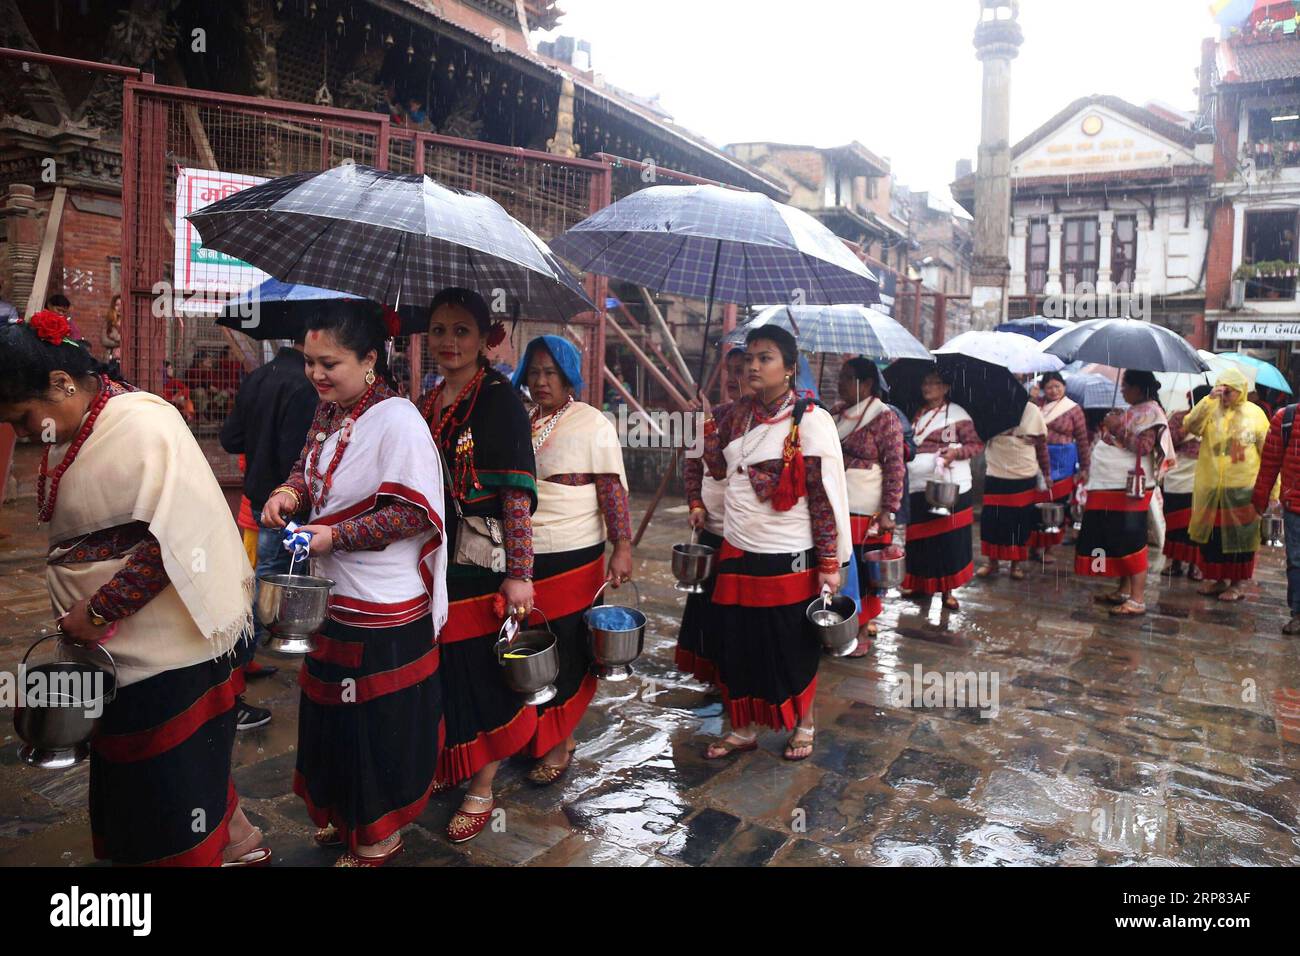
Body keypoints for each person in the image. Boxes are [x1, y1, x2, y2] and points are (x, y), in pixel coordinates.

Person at [0, 311, 268, 866]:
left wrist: (98, 611)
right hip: (116, 652)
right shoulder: (84, 426)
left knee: (168, 786)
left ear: (61, 384)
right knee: (176, 773)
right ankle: (237, 838)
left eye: (25, 420)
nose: (26, 435)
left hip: (167, 653)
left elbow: (174, 542)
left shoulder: (144, 425)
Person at [261, 302, 446, 866]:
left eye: (328, 363)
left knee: (374, 725)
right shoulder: (330, 411)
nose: (315, 374)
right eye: (308, 361)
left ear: (370, 361)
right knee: (330, 715)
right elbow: (306, 468)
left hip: (383, 607)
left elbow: (411, 515)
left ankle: (379, 830)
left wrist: (331, 537)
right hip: (332, 595)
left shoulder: (398, 422)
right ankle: (345, 810)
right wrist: (288, 495)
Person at [418, 287, 538, 844]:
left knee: (479, 667)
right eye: (439, 329)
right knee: (443, 668)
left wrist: (520, 574)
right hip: (433, 559)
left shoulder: (500, 401)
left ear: (485, 337)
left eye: (461, 330)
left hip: (482, 561)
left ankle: (482, 783)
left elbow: (515, 496)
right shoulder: (429, 399)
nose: (448, 341)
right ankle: (453, 756)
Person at [699, 326, 852, 763]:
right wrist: (703, 423)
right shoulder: (732, 415)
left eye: (765, 358)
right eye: (749, 357)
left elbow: (822, 497)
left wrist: (828, 561)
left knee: (789, 642)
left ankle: (803, 722)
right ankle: (743, 727)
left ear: (788, 369)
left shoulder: (810, 419)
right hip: (738, 545)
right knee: (738, 642)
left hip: (790, 552)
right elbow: (716, 468)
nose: (752, 365)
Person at [513, 334, 632, 783]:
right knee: (529, 645)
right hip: (524, 552)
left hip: (575, 551)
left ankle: (559, 741)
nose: (541, 381)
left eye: (551, 372)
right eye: (535, 371)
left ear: (569, 376)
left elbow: (611, 490)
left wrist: (621, 546)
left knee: (566, 644)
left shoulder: (592, 423)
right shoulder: (520, 419)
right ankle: (532, 734)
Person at [220, 332, 319, 727]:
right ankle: (243, 662)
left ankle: (249, 655)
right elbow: (298, 454)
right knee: (274, 580)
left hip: (258, 496)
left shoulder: (259, 376)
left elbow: (230, 438)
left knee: (258, 576)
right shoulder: (304, 386)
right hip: (287, 501)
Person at [1075, 369, 1175, 617]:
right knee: (1114, 535)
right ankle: (1122, 589)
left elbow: (1142, 447)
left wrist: (1118, 428)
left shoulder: (1151, 413)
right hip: (1110, 484)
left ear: (1139, 388)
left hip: (1128, 487)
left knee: (1131, 537)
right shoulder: (1134, 410)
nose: (1122, 391)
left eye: (1125, 386)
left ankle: (1137, 599)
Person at [680, 346, 751, 682]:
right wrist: (695, 503)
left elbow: (721, 470)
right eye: (730, 370)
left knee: (734, 608)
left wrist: (706, 421)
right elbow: (694, 463)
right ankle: (709, 671)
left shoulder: (757, 422)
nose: (734, 378)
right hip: (711, 524)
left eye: (742, 369)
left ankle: (733, 675)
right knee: (706, 603)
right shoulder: (718, 413)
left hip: (745, 532)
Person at [832, 357, 905, 652]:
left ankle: (861, 630)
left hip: (866, 508)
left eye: (848, 378)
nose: (840, 384)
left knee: (862, 573)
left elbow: (895, 466)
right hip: (835, 504)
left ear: (868, 384)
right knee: (838, 568)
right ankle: (836, 625)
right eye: (841, 377)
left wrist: (889, 510)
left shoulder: (884, 418)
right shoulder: (836, 413)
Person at [1181, 367, 1270, 602]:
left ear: (1241, 391)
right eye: (1223, 389)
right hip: (1213, 489)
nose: (1226, 395)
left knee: (1240, 539)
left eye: (1231, 391)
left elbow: (1267, 452)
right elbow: (1190, 425)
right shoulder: (1212, 409)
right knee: (1216, 539)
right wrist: (1208, 399)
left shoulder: (1255, 414)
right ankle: (1218, 580)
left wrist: (1273, 488)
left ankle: (1237, 584)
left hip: (1243, 488)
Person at [902, 370, 984, 610]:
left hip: (948, 486)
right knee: (919, 538)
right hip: (918, 485)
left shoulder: (958, 415)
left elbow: (975, 445)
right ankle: (919, 584)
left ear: (946, 388)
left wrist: (955, 453)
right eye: (925, 382)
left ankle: (947, 590)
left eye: (933, 383)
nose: (927, 387)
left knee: (948, 539)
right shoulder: (917, 414)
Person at [978, 398, 1050, 580]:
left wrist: (1047, 472)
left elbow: (1041, 446)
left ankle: (1015, 564)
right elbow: (978, 437)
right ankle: (991, 562)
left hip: (1023, 474)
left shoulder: (1032, 410)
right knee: (992, 519)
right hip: (996, 470)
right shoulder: (991, 407)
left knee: (1019, 522)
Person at [1028, 371, 1090, 563]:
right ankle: (1034, 545)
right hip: (1038, 457)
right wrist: (1032, 398)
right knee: (1036, 502)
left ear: (1064, 387)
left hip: (1064, 461)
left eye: (1057, 386)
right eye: (1049, 387)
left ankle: (1049, 547)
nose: (1054, 391)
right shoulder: (1036, 406)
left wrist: (1085, 466)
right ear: (1043, 389)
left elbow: (1082, 439)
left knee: (1058, 504)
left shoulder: (1073, 409)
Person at [1252, 397, 1300, 634]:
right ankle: (1298, 613)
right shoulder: (1286, 419)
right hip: (1296, 507)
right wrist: (1260, 499)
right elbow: (1269, 463)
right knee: (1297, 561)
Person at [1163, 385, 1212, 579]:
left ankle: (1195, 564)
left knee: (1196, 522)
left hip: (1200, 475)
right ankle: (1175, 562)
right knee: (1175, 522)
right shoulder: (1177, 418)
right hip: (1177, 475)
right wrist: (1187, 427)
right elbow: (1169, 441)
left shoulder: (1214, 420)